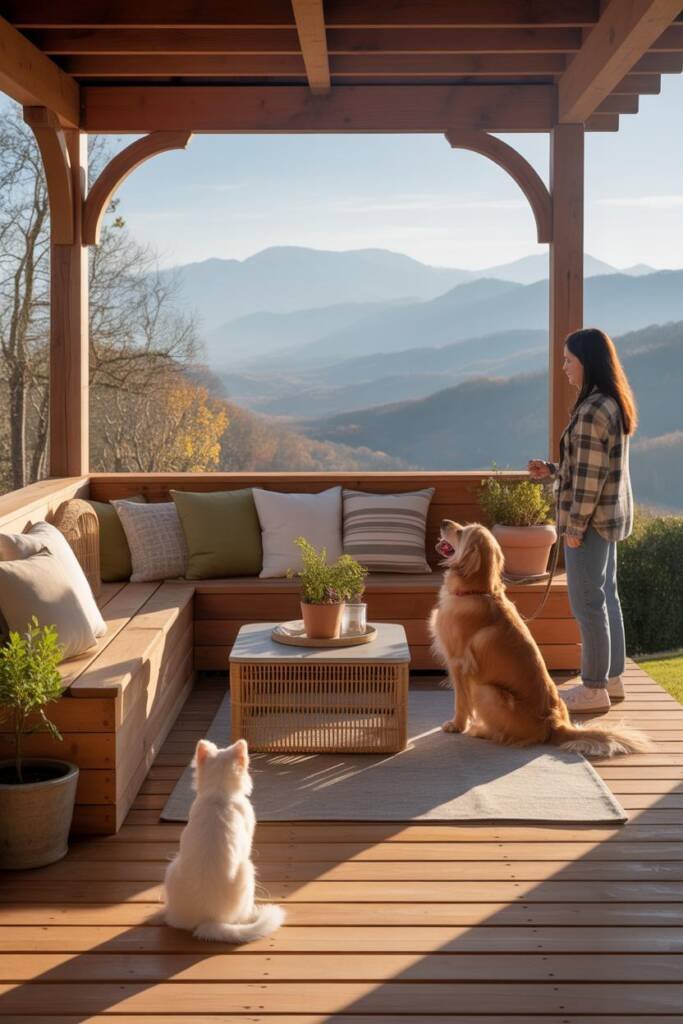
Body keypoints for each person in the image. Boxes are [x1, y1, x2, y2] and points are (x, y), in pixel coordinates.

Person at [528, 327, 637, 712]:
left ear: (586, 362)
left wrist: (574, 528)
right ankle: (612, 678)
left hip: (589, 523)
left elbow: (590, 481)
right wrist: (554, 469)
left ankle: (593, 690)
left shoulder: (591, 410)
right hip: (610, 518)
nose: (563, 368)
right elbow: (591, 466)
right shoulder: (609, 401)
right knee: (606, 596)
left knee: (587, 604)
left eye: (568, 360)